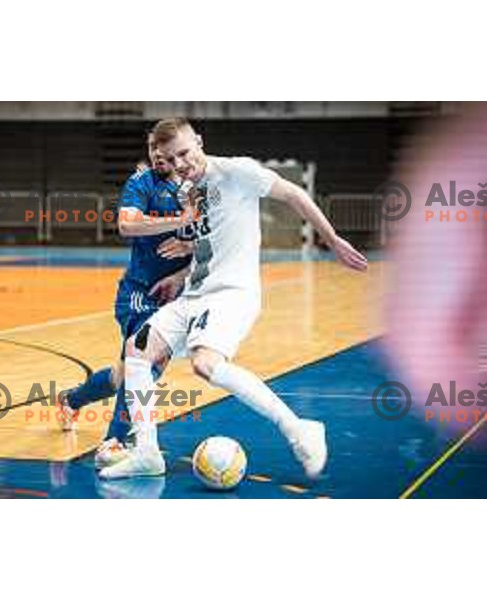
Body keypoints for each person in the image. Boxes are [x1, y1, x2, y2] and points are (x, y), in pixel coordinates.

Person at [99, 118, 368, 480]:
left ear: (199, 141)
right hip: (195, 293)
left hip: (231, 294)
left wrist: (332, 240)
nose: (180, 163)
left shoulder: (238, 171)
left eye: (184, 153)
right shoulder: (188, 192)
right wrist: (181, 273)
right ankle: (147, 452)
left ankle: (299, 428)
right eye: (170, 159)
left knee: (205, 363)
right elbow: (211, 240)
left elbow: (294, 195)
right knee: (136, 350)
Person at [57, 136, 196, 469]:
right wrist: (181, 222)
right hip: (139, 293)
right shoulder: (142, 181)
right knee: (147, 364)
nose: (158, 157)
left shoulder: (197, 186)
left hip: (179, 296)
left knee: (125, 376)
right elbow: (127, 224)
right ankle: (113, 442)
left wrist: (189, 256)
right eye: (153, 151)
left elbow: (212, 241)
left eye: (166, 151)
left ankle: (70, 399)